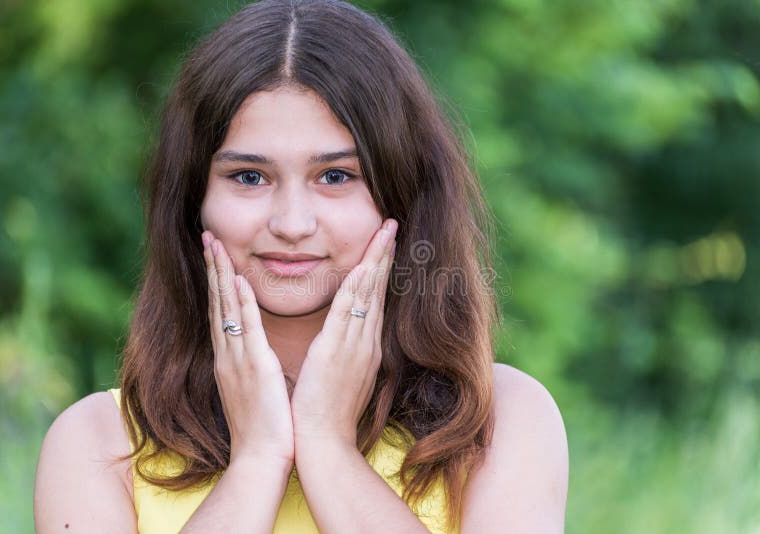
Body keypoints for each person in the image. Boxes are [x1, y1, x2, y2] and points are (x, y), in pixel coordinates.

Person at [33, 0, 568, 532]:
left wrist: (327, 444)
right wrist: (258, 459)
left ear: (403, 196)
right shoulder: (97, 443)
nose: (291, 223)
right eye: (249, 176)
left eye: (335, 176)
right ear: (192, 201)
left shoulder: (501, 422)